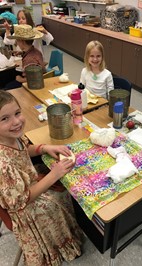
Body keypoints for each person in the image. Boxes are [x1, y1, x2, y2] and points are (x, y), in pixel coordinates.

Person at [0, 91, 82, 265]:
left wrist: (44, 148)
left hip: (27, 181)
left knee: (66, 186)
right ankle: (59, 242)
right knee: (63, 196)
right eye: (4, 119)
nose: (16, 122)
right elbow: (21, 200)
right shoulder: (3, 164)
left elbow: (24, 148)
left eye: (17, 113)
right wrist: (54, 174)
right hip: (24, 207)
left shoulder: (9, 137)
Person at [4, 24, 46, 90]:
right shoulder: (35, 51)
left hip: (31, 82)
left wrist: (20, 79)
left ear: (22, 41)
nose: (17, 43)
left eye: (17, 40)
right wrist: (21, 53)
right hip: (32, 75)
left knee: (7, 86)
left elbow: (34, 78)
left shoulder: (29, 59)